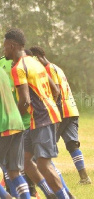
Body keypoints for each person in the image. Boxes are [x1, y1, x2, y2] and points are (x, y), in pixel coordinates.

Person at [5, 28, 70, 199]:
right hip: (41, 118)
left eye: (4, 47)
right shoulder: (35, 63)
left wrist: (14, 122)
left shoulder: (18, 67)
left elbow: (24, 100)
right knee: (26, 161)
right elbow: (55, 90)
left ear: (12, 46)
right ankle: (50, 194)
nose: (3, 50)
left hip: (42, 120)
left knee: (44, 164)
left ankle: (63, 196)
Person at [30, 46, 91, 185]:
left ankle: (38, 181)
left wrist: (53, 114)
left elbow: (55, 91)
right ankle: (84, 177)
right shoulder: (57, 67)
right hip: (71, 110)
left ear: (37, 57)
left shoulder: (48, 69)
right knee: (72, 144)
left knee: (42, 146)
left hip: (61, 111)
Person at [0, 66, 31, 199]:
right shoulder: (2, 70)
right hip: (16, 122)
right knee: (14, 172)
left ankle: (7, 197)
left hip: (3, 125)